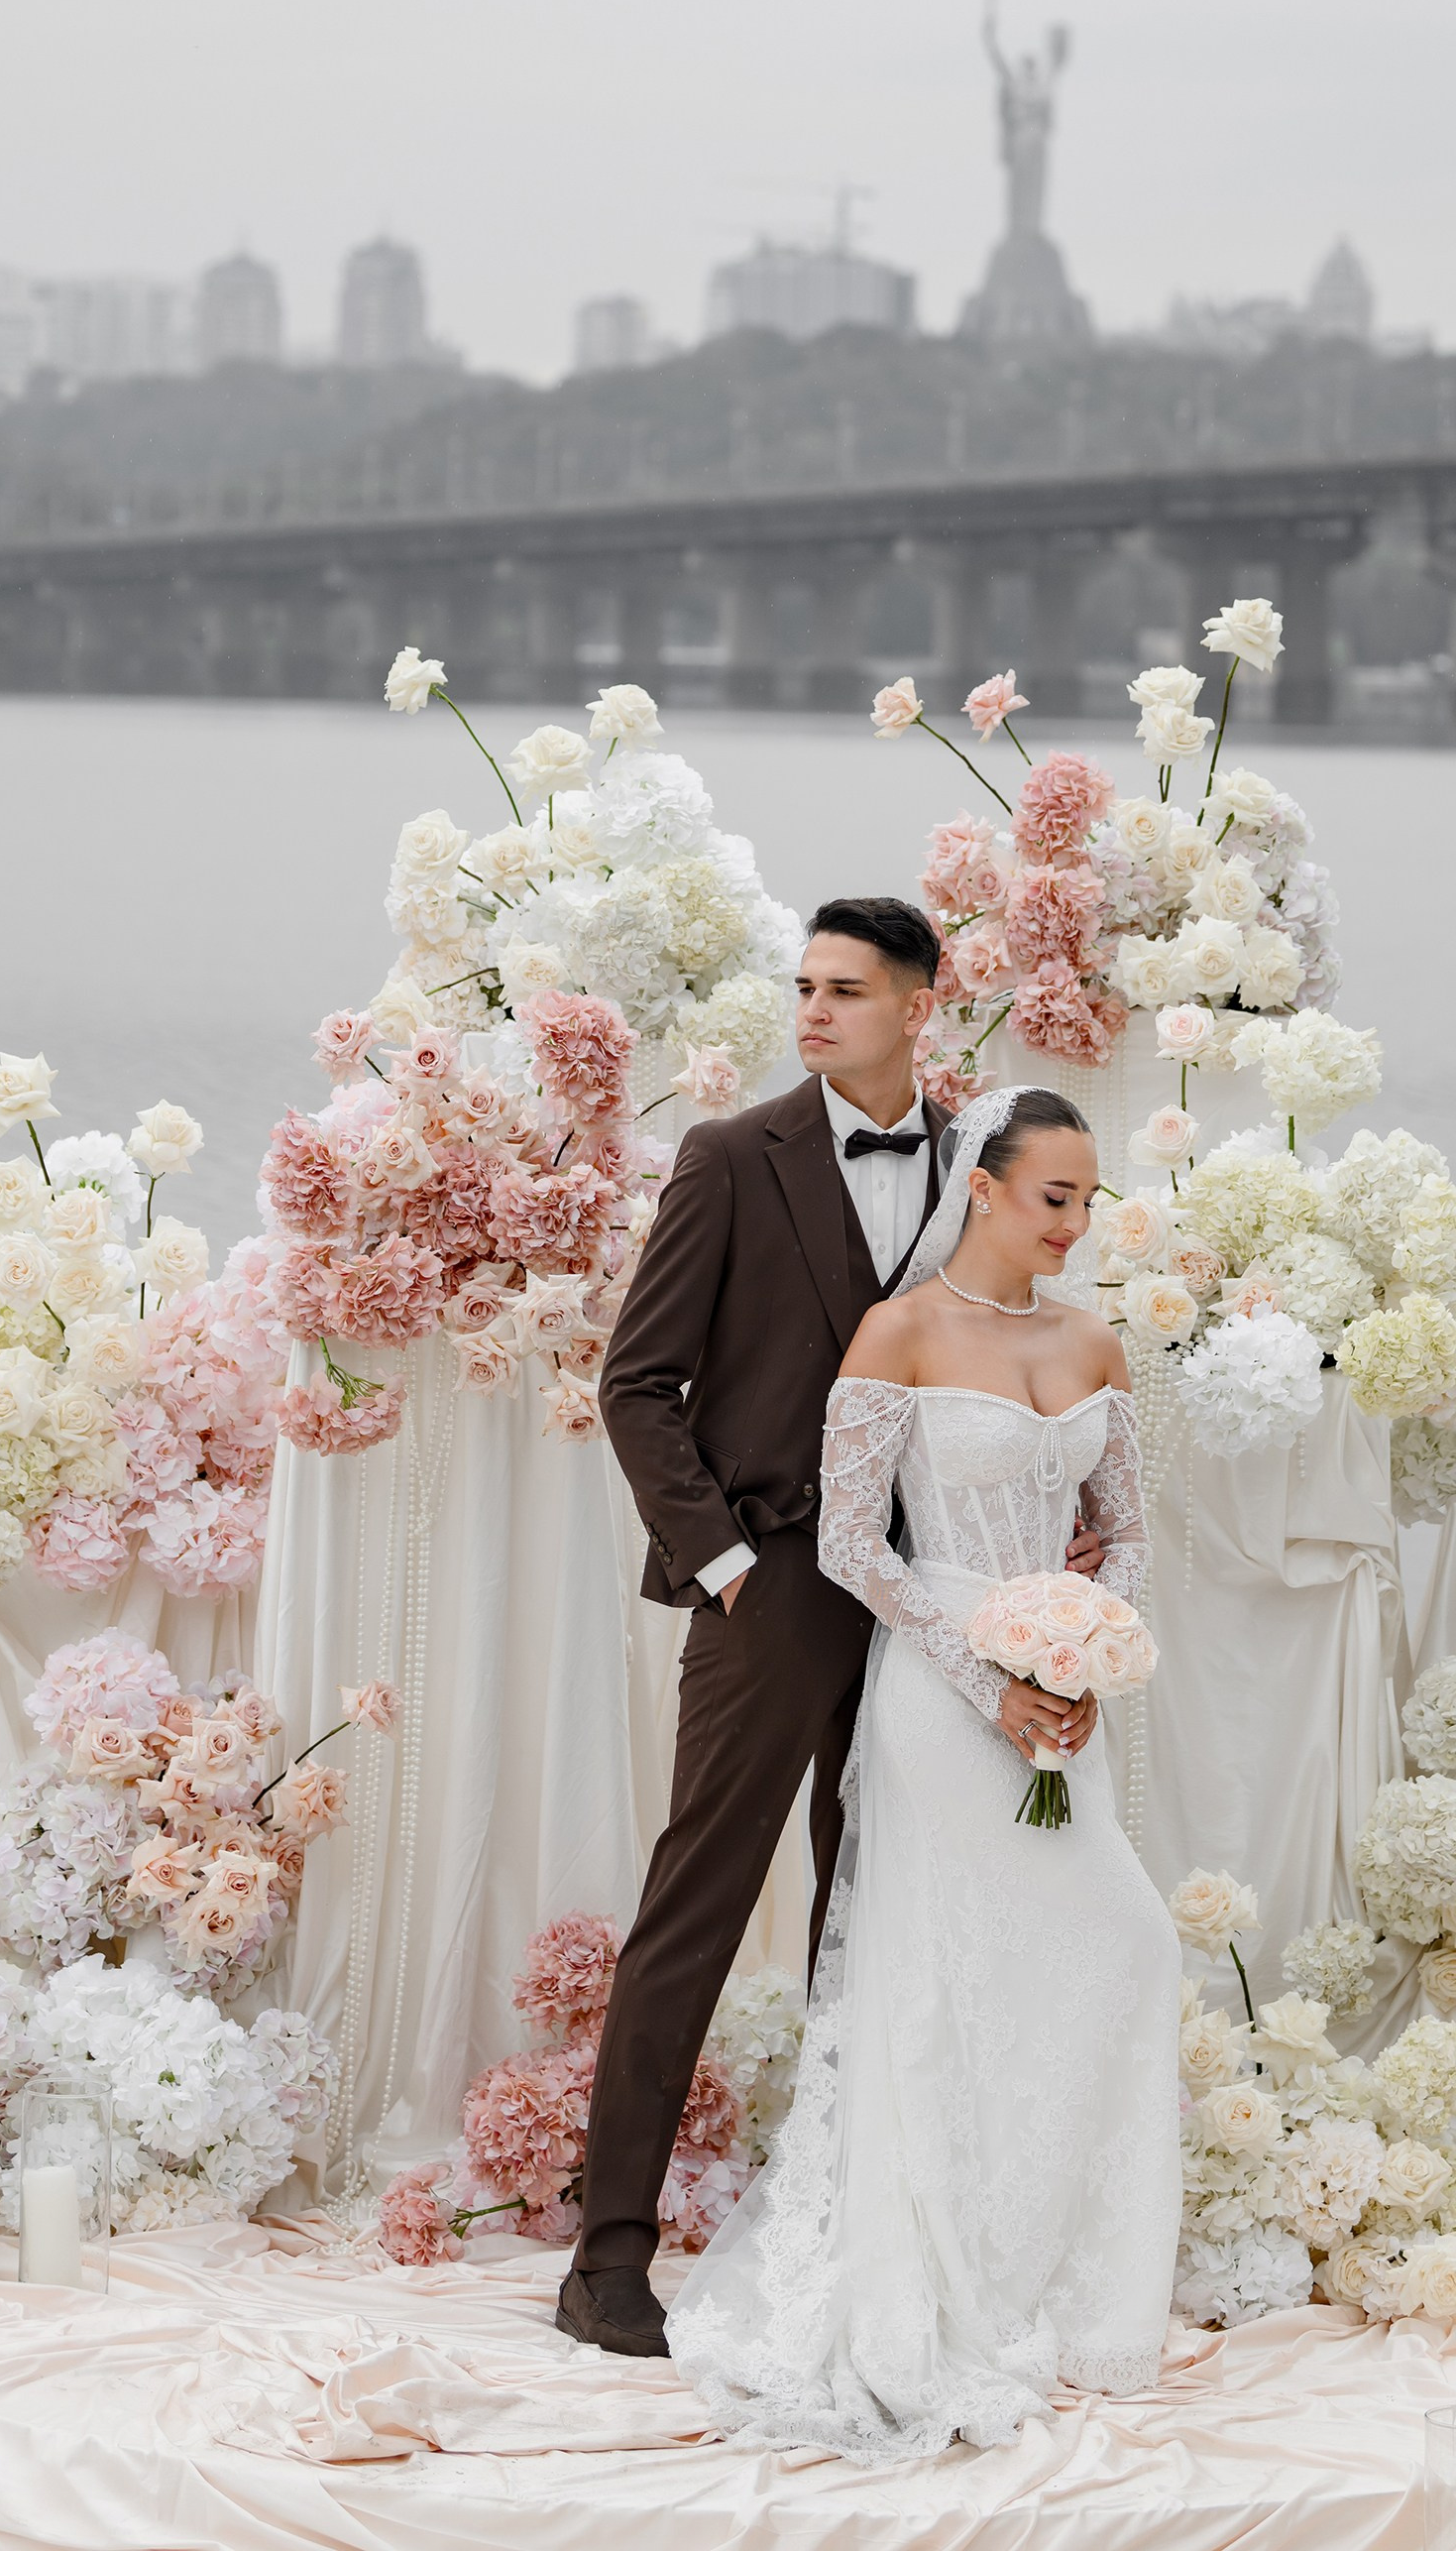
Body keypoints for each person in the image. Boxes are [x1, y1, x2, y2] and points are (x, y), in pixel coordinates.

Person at [667, 1087, 1183, 2464]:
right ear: (987, 1189)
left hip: (1063, 1703)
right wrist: (990, 1675)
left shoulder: (1096, 1344)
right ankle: (936, 2272)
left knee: (1119, 1946)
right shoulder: (899, 1332)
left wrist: (1081, 1662)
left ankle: (1060, 2274)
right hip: (943, 1686)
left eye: (1089, 1199)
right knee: (944, 1973)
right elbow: (850, 1544)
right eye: (1054, 1196)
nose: (1076, 1222)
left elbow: (1124, 1533)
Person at [558, 896, 955, 2357]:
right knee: (699, 1907)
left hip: (926, 1599)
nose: (811, 1011)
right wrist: (724, 1563)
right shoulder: (734, 1158)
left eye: (844, 990)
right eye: (802, 987)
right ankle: (606, 2259)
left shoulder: (978, 1160)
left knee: (884, 1909)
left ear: (921, 1004)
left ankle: (863, 2235)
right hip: (774, 1581)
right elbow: (636, 1384)